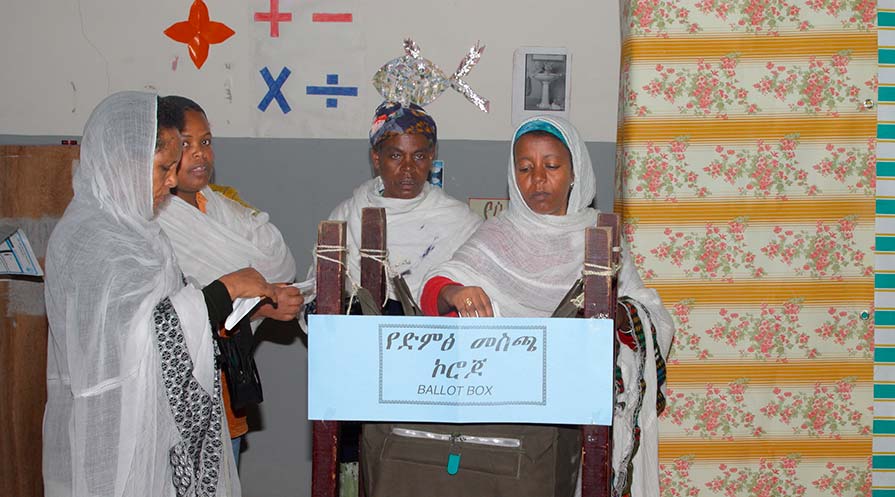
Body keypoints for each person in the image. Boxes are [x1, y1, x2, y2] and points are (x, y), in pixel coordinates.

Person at [362, 116, 675, 497]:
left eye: (551, 166)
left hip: (580, 410)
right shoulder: (498, 234)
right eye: (524, 168)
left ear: (575, 171)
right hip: (510, 426)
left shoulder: (600, 236)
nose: (537, 179)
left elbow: (645, 309)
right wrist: (455, 294)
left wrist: (621, 321)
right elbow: (435, 287)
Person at [43, 91, 278, 497]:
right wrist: (225, 290)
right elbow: (139, 339)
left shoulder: (141, 230)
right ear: (125, 165)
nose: (171, 181)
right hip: (115, 433)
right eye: (163, 168)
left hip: (159, 433)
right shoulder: (93, 238)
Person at [156, 96, 302, 467]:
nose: (200, 155)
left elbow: (278, 262)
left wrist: (258, 306)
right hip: (175, 398)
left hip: (225, 388)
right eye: (185, 144)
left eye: (206, 142)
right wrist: (259, 303)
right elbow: (174, 319)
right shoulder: (154, 219)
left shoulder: (219, 205)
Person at [305, 101, 482, 313]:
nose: (408, 168)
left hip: (436, 344)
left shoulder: (460, 222)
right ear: (377, 158)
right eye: (396, 156)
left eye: (419, 156)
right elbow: (320, 296)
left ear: (431, 157)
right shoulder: (347, 218)